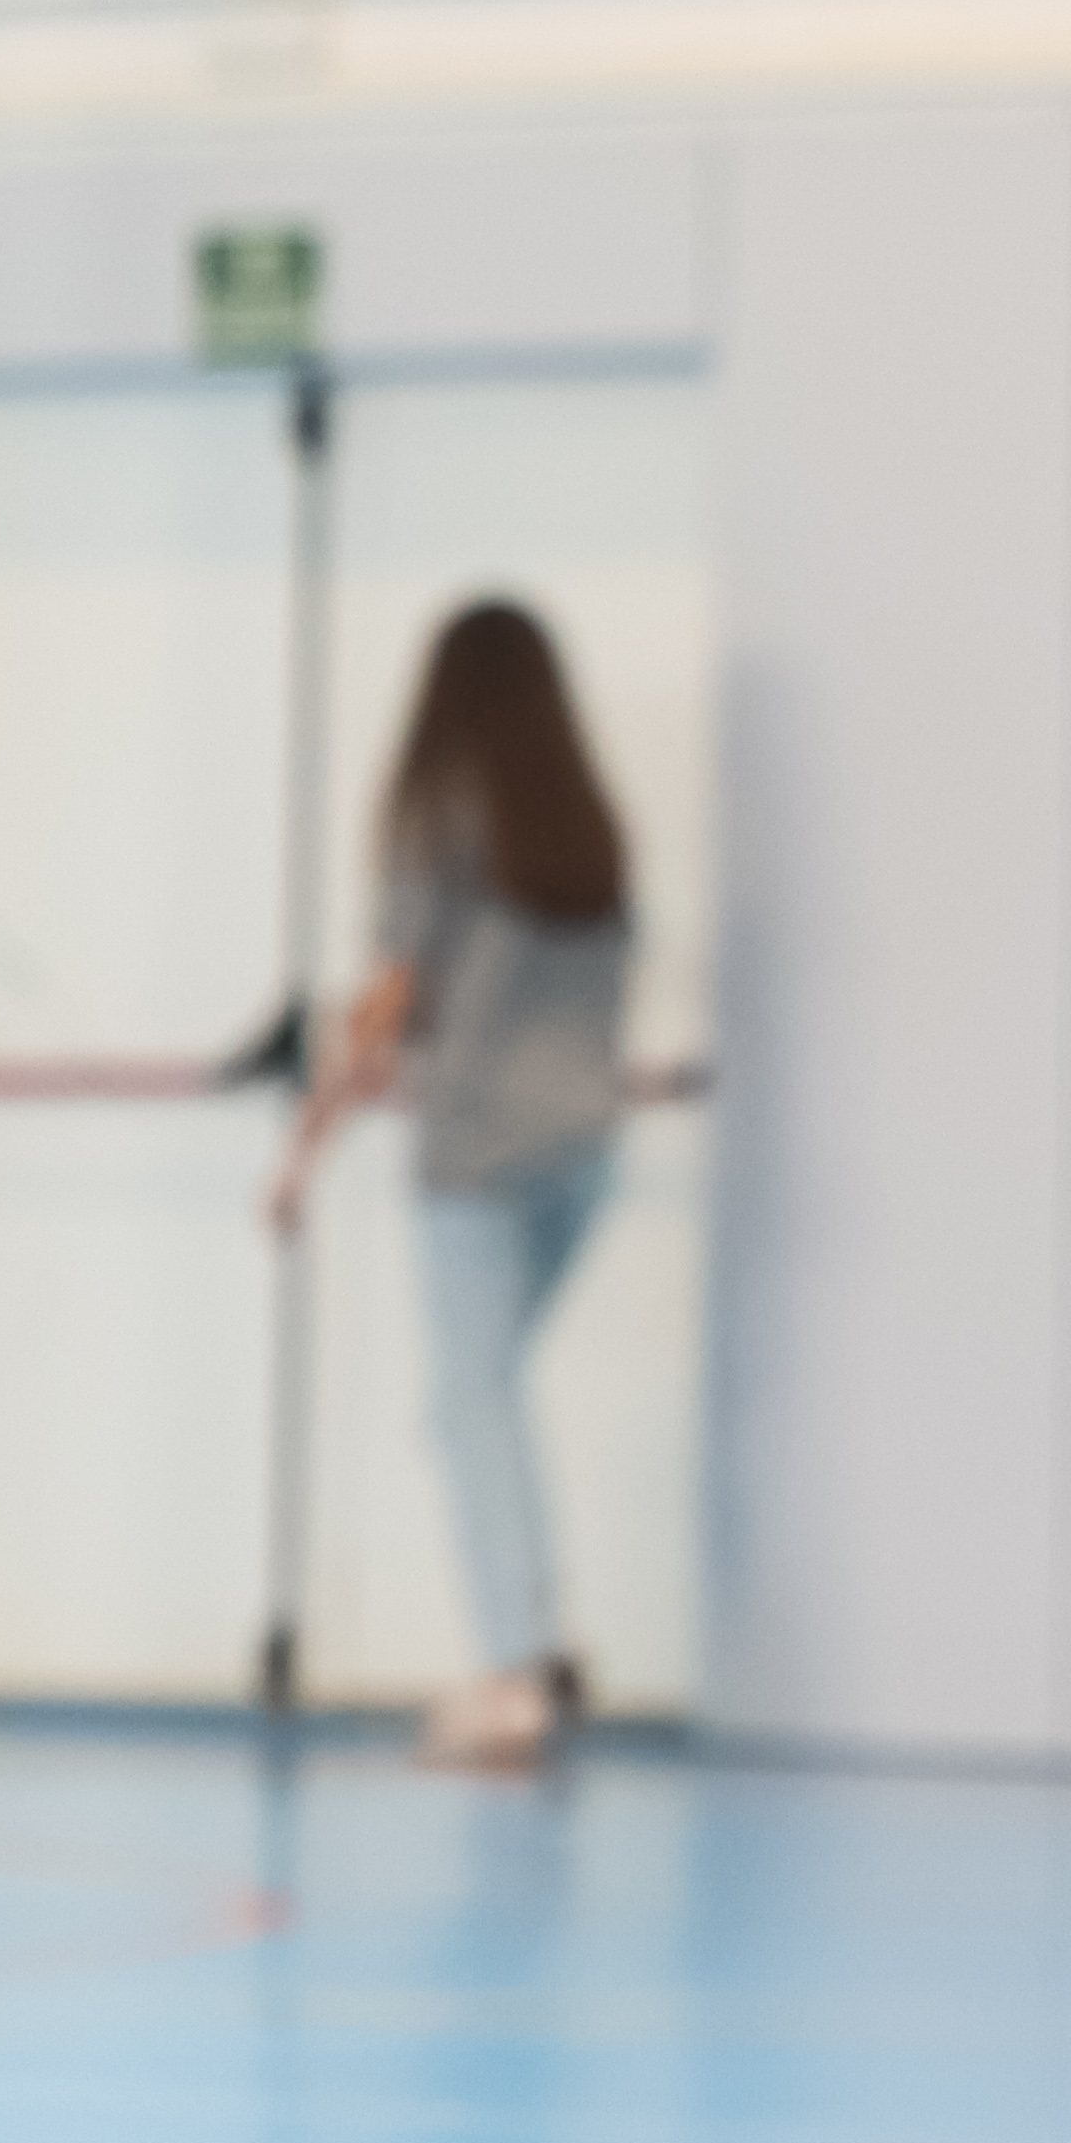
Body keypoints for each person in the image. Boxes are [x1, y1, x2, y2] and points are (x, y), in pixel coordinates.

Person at [268, 598, 631, 1771]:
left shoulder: (441, 810)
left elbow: (391, 995)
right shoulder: (583, 822)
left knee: (472, 1405)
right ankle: (537, 1650)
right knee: (488, 1399)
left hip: (476, 1150)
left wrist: (307, 1142)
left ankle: (516, 1669)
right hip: (584, 1145)